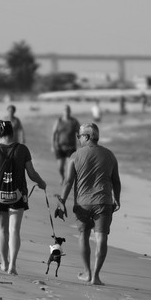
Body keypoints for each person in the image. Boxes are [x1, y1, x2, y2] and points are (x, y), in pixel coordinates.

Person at [0, 120, 46, 275]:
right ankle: (13, 265)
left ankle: (4, 263)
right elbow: (31, 173)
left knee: (2, 230)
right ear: (13, 133)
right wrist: (41, 183)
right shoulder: (22, 150)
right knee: (14, 230)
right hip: (18, 195)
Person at [56, 122, 121, 285]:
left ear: (86, 137)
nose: (78, 139)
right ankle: (96, 276)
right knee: (101, 238)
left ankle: (87, 272)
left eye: (79, 136)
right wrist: (117, 198)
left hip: (83, 204)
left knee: (83, 236)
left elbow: (68, 181)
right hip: (103, 203)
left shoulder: (75, 156)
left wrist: (61, 202)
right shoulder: (109, 155)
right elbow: (116, 181)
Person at [51, 105, 80, 182]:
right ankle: (62, 177)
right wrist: (53, 146)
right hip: (59, 147)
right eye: (65, 110)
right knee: (60, 167)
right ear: (63, 112)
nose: (66, 112)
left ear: (70, 111)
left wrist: (82, 144)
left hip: (71, 147)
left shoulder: (74, 121)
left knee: (69, 166)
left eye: (68, 110)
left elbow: (79, 133)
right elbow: (54, 133)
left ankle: (68, 181)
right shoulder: (58, 121)